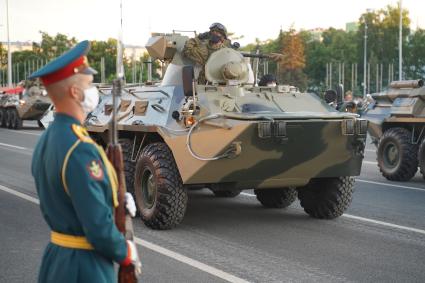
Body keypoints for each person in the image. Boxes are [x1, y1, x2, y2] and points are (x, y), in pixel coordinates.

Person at [29, 40, 140, 283]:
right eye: (89, 85)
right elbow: (98, 229)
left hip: (57, 261)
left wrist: (115, 200)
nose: (94, 91)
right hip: (84, 267)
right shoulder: (79, 148)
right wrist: (125, 252)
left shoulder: (49, 139)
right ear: (75, 92)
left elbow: (72, 199)